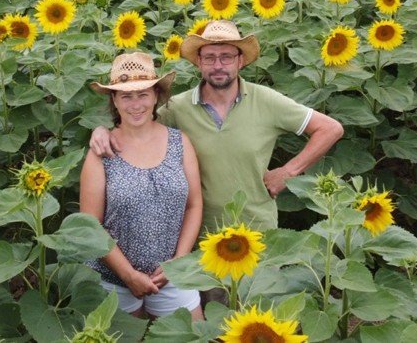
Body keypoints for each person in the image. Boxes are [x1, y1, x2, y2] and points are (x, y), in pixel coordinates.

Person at [91, 20, 344, 235]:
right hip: (200, 235)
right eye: (210, 57)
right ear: (198, 63)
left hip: (258, 232)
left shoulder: (266, 101)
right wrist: (102, 131)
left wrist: (289, 171)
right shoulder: (179, 108)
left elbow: (330, 128)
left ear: (240, 61)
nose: (218, 65)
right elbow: (136, 125)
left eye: (226, 57)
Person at [80, 52, 203, 321]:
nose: (135, 104)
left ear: (156, 96)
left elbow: (194, 205)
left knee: (193, 336)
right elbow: (90, 225)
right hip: (113, 277)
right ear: (114, 100)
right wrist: (128, 275)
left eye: (143, 94)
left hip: (170, 273)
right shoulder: (102, 151)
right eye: (126, 96)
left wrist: (179, 261)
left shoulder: (179, 142)